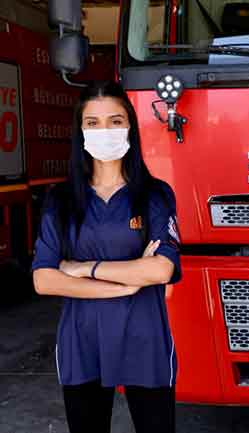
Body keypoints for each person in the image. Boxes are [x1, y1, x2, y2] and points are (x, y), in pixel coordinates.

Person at [31, 81, 181, 433]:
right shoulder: (61, 199)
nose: (105, 131)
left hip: (144, 338)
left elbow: (161, 269)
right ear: (80, 131)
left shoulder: (155, 195)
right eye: (93, 123)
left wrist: (84, 269)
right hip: (82, 341)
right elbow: (44, 279)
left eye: (115, 121)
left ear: (130, 125)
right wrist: (123, 286)